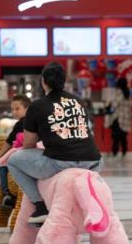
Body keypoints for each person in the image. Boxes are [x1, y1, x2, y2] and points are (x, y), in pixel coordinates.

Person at [8, 62, 103, 225]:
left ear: (43, 81)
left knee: (13, 161)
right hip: (95, 161)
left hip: (61, 162)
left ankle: (40, 207)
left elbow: (29, 144)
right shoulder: (78, 101)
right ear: (64, 81)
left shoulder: (37, 106)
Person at [0, 94, 31, 209]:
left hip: (24, 155)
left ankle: (7, 194)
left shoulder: (21, 123)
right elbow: (9, 141)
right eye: (12, 109)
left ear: (27, 108)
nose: (14, 112)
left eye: (17, 109)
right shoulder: (35, 120)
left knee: (2, 166)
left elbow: (8, 142)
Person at [108, 78, 132, 159]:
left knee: (116, 137)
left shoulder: (119, 92)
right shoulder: (128, 93)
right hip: (126, 118)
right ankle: (124, 153)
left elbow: (115, 104)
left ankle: (115, 153)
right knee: (123, 137)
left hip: (119, 117)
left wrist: (109, 107)